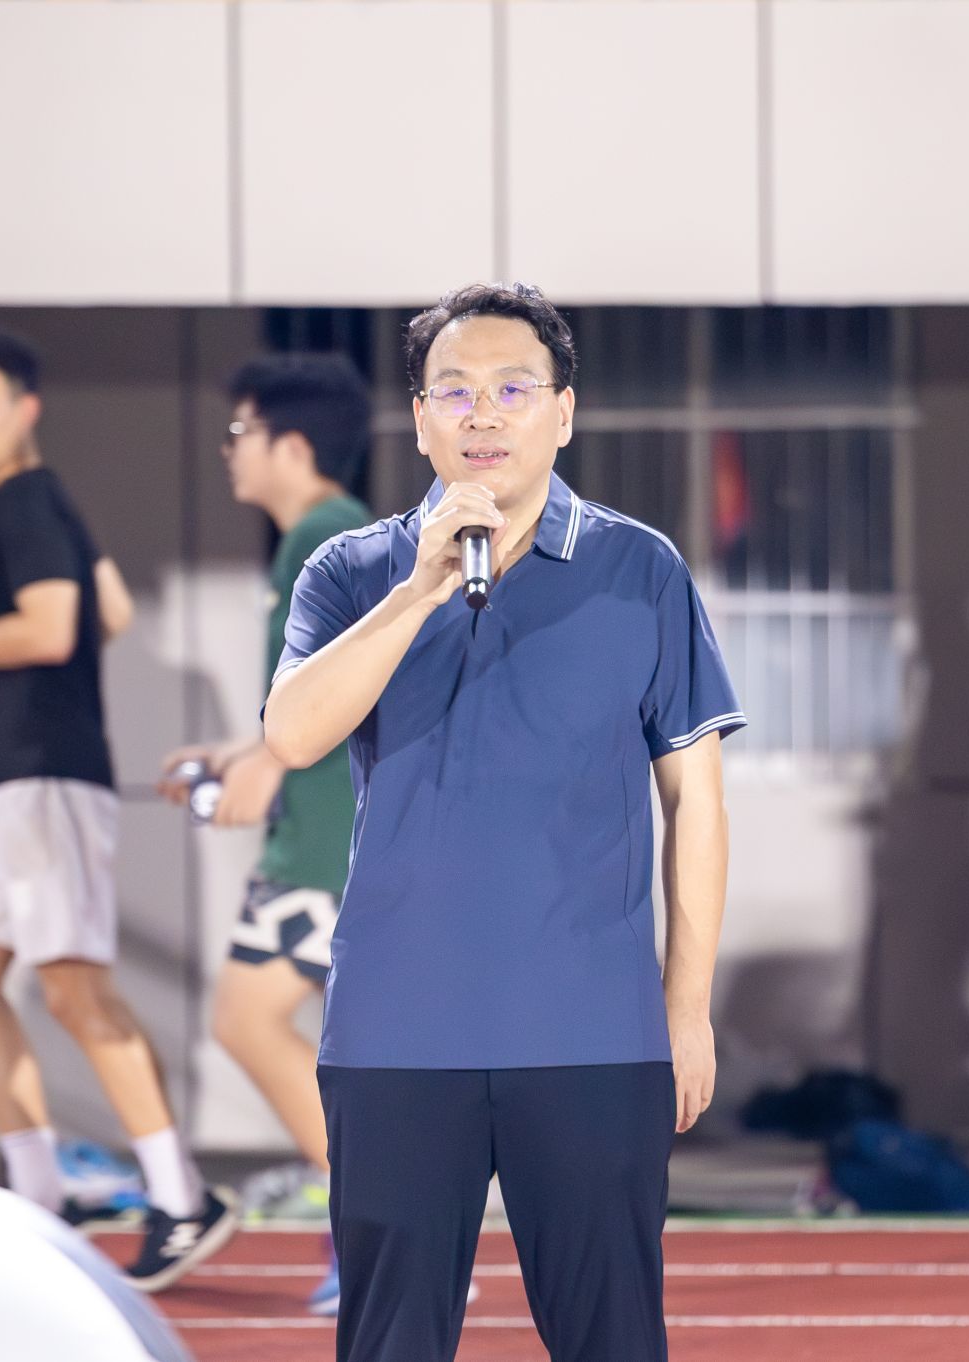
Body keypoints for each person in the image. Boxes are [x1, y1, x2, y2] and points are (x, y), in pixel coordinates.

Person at [262, 283, 743, 1362]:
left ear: (563, 413)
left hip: (592, 1031)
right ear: (419, 419)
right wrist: (420, 588)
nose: (483, 414)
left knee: (612, 1337)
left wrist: (686, 1005)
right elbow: (291, 734)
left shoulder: (641, 569)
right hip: (395, 1032)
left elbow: (695, 801)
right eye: (456, 391)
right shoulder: (352, 571)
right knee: (387, 1341)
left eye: (513, 389)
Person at [0, 327, 234, 1290]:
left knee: (78, 993)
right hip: (13, 781)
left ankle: (182, 1199)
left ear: (25, 410)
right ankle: (41, 1198)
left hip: (47, 783)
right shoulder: (37, 504)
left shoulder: (24, 500)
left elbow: (53, 628)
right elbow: (107, 612)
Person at [156, 353, 373, 1314]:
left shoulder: (320, 535)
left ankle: (367, 1223)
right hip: (331, 833)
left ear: (293, 445)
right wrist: (242, 751)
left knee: (247, 1022)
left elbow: (346, 686)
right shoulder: (331, 533)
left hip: (322, 841)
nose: (228, 450)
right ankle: (372, 1220)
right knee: (339, 1047)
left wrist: (271, 765)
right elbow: (317, 693)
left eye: (241, 431)